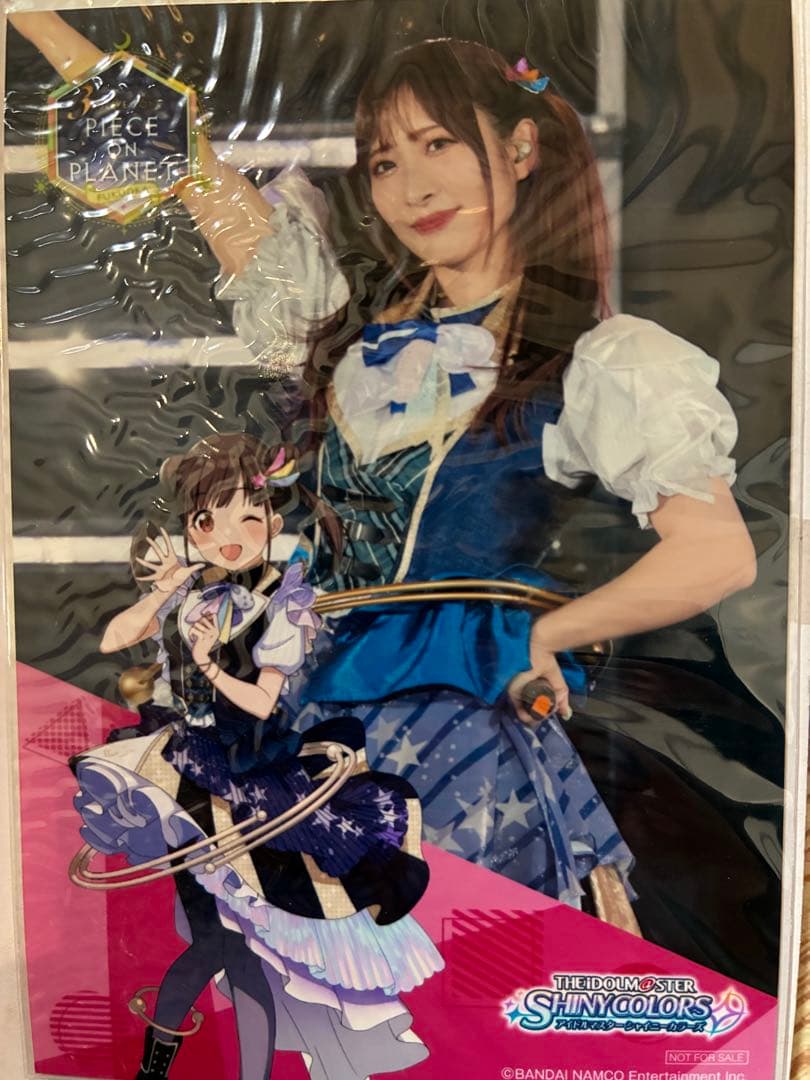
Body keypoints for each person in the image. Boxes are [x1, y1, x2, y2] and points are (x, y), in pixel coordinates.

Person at [12, 16, 756, 911]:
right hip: (306, 726)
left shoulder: (602, 360)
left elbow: (717, 553)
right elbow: (191, 168)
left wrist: (544, 637)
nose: (413, 186)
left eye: (439, 144)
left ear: (521, 148)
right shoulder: (341, 333)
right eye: (385, 162)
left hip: (465, 742)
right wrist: (34, 19)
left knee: (460, 969)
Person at [71, 433, 442, 1080]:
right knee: (219, 942)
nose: (227, 536)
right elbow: (113, 639)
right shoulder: (191, 590)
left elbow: (265, 702)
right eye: (206, 521)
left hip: (248, 773)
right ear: (191, 526)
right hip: (179, 766)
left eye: (247, 516)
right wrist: (163, 592)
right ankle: (165, 1069)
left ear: (272, 521)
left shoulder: (284, 602)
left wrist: (210, 662)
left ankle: (195, 1070)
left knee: (238, 947)